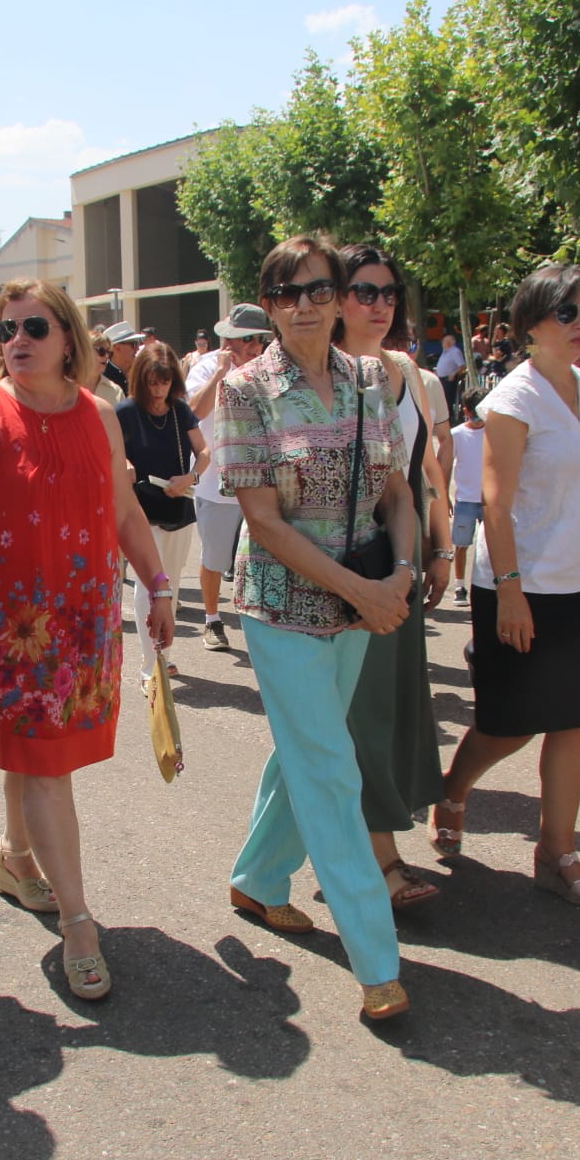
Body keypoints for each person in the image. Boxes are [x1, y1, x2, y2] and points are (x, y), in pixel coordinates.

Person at [0, 279, 175, 1001]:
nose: (18, 340)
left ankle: (16, 859)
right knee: (43, 766)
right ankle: (79, 922)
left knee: (33, 757)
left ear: (69, 336)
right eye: (5, 331)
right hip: (15, 631)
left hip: (85, 621)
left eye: (34, 326)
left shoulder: (99, 416)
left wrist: (158, 586)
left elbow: (125, 511)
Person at [216, 236, 416, 1020]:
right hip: (281, 607)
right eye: (285, 291)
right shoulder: (246, 389)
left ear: (338, 296)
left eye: (318, 288)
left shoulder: (373, 377)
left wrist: (398, 574)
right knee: (331, 765)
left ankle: (259, 879)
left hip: (363, 594)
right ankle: (377, 960)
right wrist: (363, 592)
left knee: (307, 747)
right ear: (267, 304)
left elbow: (396, 493)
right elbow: (262, 522)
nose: (303, 303)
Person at [434, 265, 580, 909]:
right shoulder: (514, 398)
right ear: (531, 324)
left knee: (577, 722)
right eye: (567, 313)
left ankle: (554, 853)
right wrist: (510, 590)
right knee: (510, 725)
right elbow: (496, 505)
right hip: (521, 582)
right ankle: (452, 790)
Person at [331, 244, 454, 910]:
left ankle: (291, 855)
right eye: (363, 291)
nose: (378, 305)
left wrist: (440, 549)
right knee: (360, 715)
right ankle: (378, 860)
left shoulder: (409, 370)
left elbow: (425, 468)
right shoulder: (324, 374)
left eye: (387, 293)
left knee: (389, 708)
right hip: (348, 568)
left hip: (402, 561)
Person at [117, 341, 210, 687]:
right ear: (141, 380)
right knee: (149, 584)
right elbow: (110, 450)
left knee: (169, 584)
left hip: (177, 505)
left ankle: (162, 658)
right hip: (140, 509)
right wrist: (125, 464)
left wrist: (191, 476)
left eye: (165, 382)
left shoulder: (180, 410)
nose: (159, 390)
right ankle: (149, 666)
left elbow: (204, 451)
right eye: (153, 382)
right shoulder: (125, 411)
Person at [185, 305, 272, 653]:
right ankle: (212, 619)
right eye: (244, 339)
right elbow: (193, 413)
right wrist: (220, 372)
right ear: (227, 339)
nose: (252, 346)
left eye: (258, 339)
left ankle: (263, 622)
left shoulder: (269, 370)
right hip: (215, 484)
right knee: (215, 558)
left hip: (261, 482)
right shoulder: (206, 367)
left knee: (265, 556)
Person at [447, 402, 484, 606]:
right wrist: (444, 494)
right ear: (466, 411)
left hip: (489, 501)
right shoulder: (457, 434)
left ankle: (491, 584)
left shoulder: (493, 432)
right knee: (461, 545)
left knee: (492, 544)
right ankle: (460, 586)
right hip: (465, 500)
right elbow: (445, 463)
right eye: (474, 412)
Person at [100, 321, 143, 390]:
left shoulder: (140, 373)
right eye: (134, 344)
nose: (138, 348)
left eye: (138, 343)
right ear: (117, 347)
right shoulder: (103, 376)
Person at [86, 329, 123, 406]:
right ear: (86, 351)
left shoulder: (116, 391)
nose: (106, 356)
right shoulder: (68, 387)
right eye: (101, 351)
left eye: (109, 353)